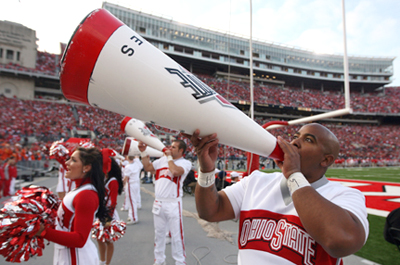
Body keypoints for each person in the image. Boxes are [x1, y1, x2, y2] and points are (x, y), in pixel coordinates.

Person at [186, 123, 369, 265]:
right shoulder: (257, 180)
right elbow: (210, 211)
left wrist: (294, 175)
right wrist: (207, 170)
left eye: (308, 140)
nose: (295, 142)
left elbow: (342, 241)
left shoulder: (345, 195)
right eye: (296, 136)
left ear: (326, 160)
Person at [35, 147, 109, 265]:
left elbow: (79, 239)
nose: (67, 163)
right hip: (68, 255)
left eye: (73, 160)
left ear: (86, 167)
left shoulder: (86, 194)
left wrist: (43, 232)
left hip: (77, 258)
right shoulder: (78, 190)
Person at [138, 140, 192, 265]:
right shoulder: (162, 161)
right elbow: (148, 167)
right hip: (159, 202)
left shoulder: (185, 163)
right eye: (170, 146)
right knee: (159, 234)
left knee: (176, 235)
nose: (170, 149)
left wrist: (168, 157)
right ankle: (159, 260)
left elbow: (175, 171)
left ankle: (180, 261)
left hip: (173, 202)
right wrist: (143, 152)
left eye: (174, 147)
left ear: (181, 151)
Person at [98, 155, 124, 265]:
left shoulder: (113, 181)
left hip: (108, 213)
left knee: (108, 240)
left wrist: (109, 218)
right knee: (100, 238)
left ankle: (107, 263)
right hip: (101, 211)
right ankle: (102, 261)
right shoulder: (105, 178)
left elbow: (113, 201)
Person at [123, 155, 143, 224]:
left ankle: (134, 218)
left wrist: (122, 186)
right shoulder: (136, 164)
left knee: (131, 201)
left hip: (131, 184)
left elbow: (126, 178)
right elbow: (141, 166)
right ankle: (131, 215)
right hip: (136, 183)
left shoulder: (128, 166)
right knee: (132, 200)